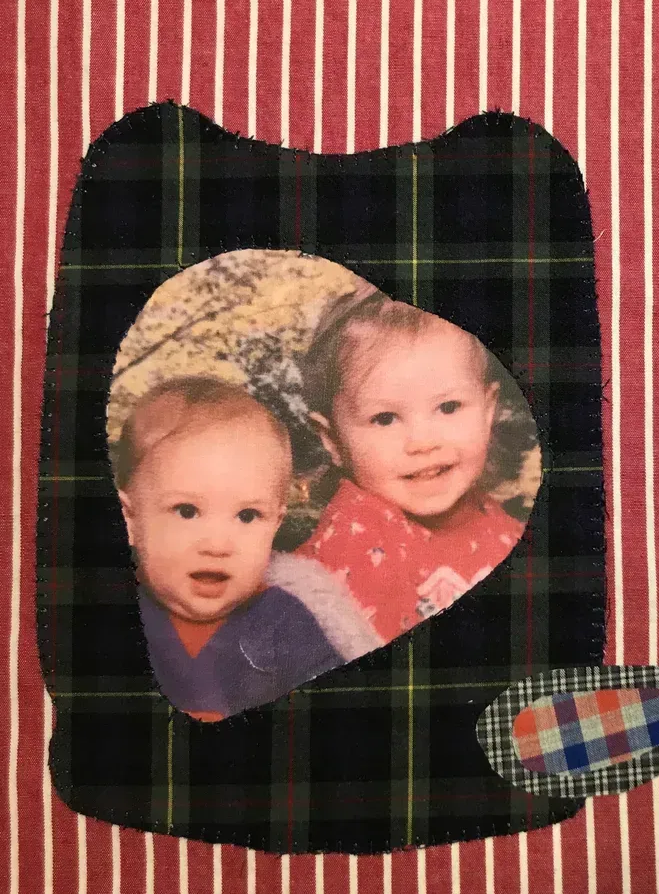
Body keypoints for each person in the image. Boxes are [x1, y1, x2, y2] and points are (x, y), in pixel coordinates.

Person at [111, 376, 381, 720]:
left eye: (248, 515)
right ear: (129, 520)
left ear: (276, 523)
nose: (219, 545)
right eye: (187, 511)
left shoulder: (284, 623)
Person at [297, 290, 527, 644]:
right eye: (385, 418)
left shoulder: (497, 522)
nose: (422, 442)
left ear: (487, 410)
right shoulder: (346, 554)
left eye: (449, 407)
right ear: (332, 441)